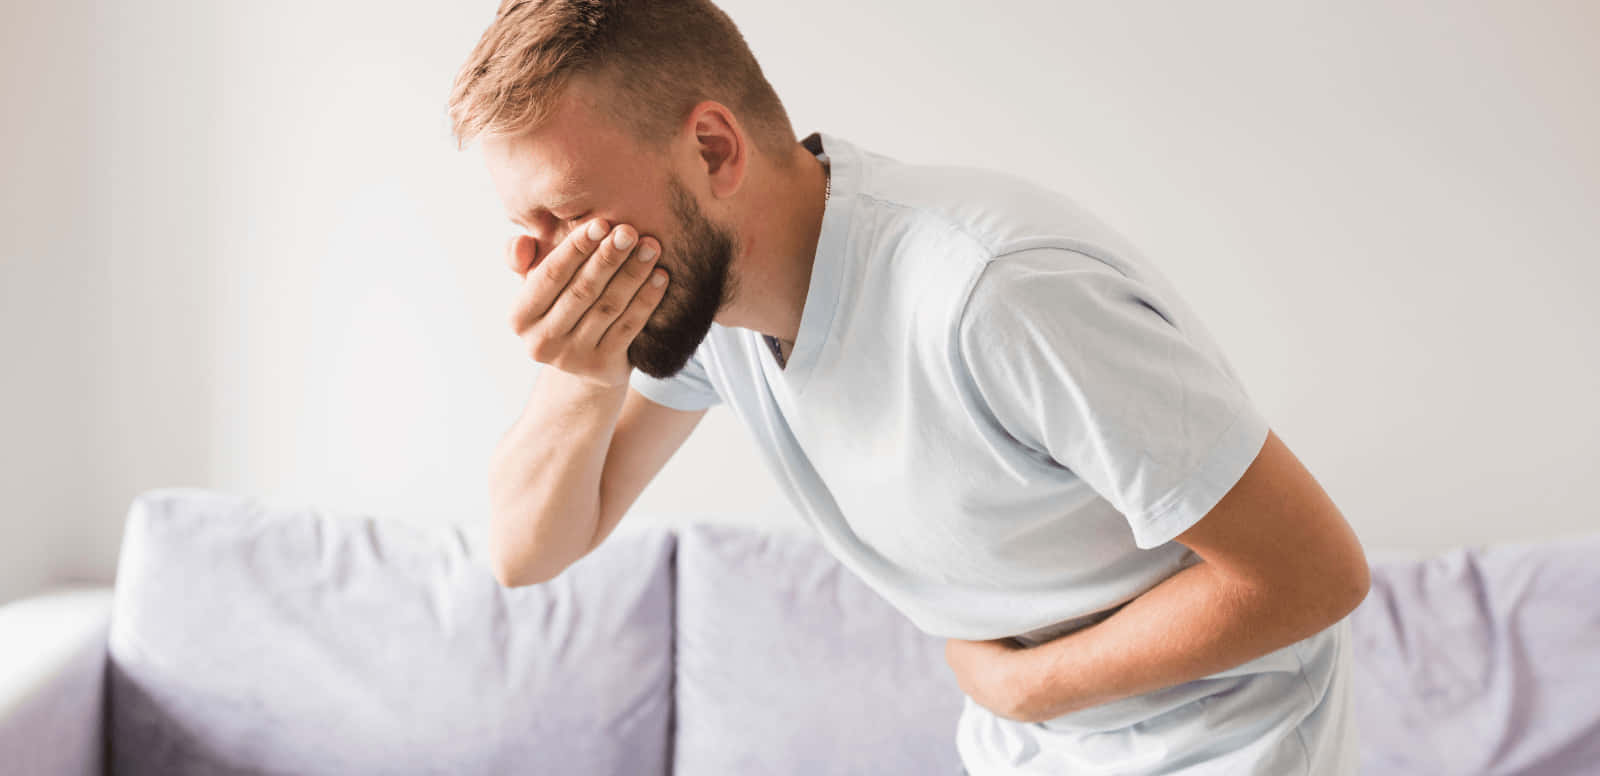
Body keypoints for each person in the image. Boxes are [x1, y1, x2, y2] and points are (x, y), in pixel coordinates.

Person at [449, 2, 1370, 773]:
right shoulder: (709, 307)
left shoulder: (996, 292)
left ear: (714, 151)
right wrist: (578, 383)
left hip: (1222, 744)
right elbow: (526, 553)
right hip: (1026, 745)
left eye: (568, 214)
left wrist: (1020, 686)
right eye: (524, 227)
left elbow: (1313, 575)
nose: (544, 268)